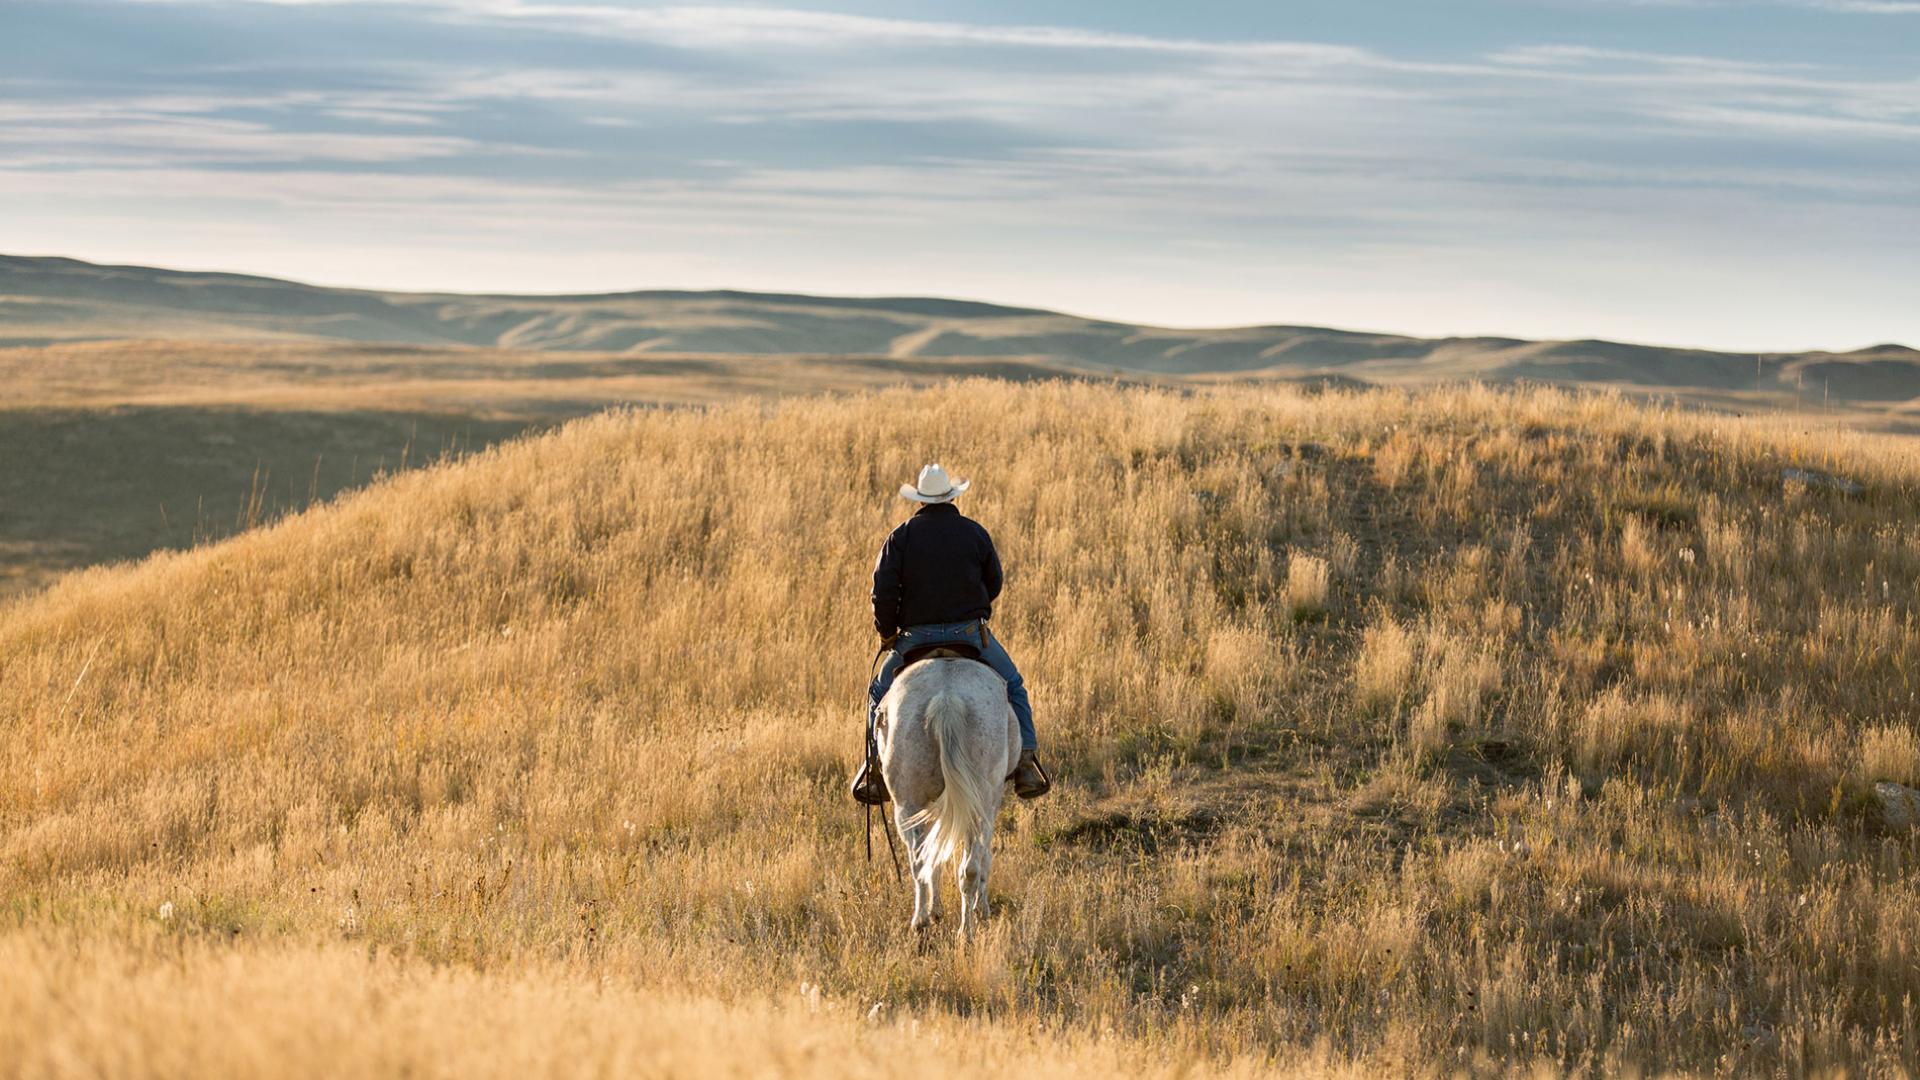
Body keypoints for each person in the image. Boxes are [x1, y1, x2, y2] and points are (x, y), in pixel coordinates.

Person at [850, 463, 1050, 804]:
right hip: (969, 634)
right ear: (950, 497)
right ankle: (1027, 763)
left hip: (913, 640)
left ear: (921, 500)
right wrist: (975, 606)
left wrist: (887, 634)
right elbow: (994, 582)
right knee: (1014, 686)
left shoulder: (900, 536)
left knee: (878, 692)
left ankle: (874, 767)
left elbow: (882, 591)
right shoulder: (974, 532)